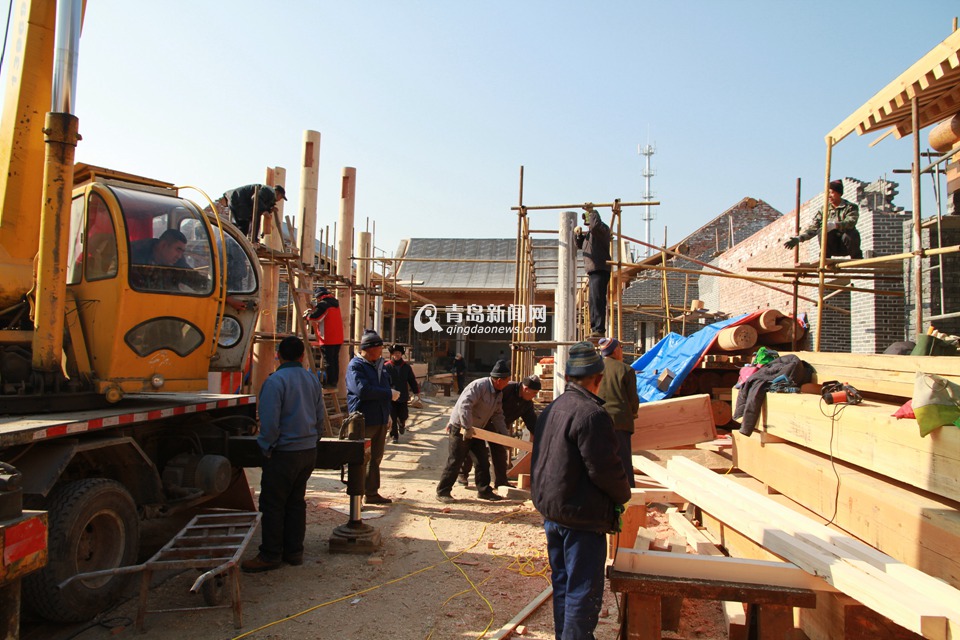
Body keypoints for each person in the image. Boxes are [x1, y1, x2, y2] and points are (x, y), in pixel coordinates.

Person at [531, 341, 631, 639]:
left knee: (563, 583)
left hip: (553, 511)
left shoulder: (554, 407)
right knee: (582, 591)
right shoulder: (592, 415)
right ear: (598, 379)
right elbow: (604, 469)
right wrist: (622, 495)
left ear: (567, 378)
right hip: (581, 517)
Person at [242, 336, 323, 573]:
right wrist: (312, 440)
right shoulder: (311, 380)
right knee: (296, 502)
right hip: (307, 452)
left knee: (273, 503)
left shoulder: (275, 382)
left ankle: (270, 554)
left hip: (284, 452)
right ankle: (294, 552)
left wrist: (266, 447)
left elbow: (269, 422)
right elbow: (320, 418)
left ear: (278, 356)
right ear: (301, 356)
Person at [436, 360, 512, 503]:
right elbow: (465, 405)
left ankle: (484, 491)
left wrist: (505, 436)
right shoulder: (479, 386)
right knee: (455, 460)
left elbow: (498, 415)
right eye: (507, 380)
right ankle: (443, 491)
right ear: (499, 380)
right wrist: (467, 427)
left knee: (482, 461)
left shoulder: (498, 392)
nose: (508, 383)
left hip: (477, 430)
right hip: (461, 427)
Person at [459, 374, 540, 489]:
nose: (534, 396)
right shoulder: (507, 389)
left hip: (500, 425)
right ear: (526, 389)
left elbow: (532, 423)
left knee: (500, 452)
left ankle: (501, 481)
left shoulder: (527, 403)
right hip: (486, 419)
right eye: (534, 393)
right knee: (472, 446)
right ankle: (463, 474)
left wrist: (539, 438)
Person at [346, 330, 397, 505]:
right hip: (363, 419)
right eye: (379, 348)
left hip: (380, 418)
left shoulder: (379, 366)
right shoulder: (356, 366)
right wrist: (388, 394)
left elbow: (383, 389)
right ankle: (356, 497)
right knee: (360, 459)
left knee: (375, 458)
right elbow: (362, 391)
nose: (381, 351)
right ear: (369, 348)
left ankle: (372, 492)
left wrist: (388, 414)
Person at [596, 338, 640, 487]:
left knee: (599, 461)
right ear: (616, 350)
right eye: (621, 348)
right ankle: (630, 499)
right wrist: (633, 414)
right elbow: (633, 399)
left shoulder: (594, 370)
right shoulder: (626, 370)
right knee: (623, 463)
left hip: (597, 422)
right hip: (620, 423)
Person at [783, 179, 862, 259]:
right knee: (822, 231)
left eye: (831, 192)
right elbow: (814, 228)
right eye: (827, 193)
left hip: (846, 246)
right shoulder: (824, 210)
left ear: (839, 193)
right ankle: (825, 257)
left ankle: (856, 256)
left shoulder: (850, 207)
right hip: (832, 247)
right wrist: (799, 238)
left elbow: (851, 221)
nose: (829, 196)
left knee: (851, 234)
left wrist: (835, 225)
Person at [574, 204, 612, 337]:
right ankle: (595, 328)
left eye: (589, 218)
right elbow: (580, 245)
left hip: (600, 269)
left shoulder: (602, 230)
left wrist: (592, 211)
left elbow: (595, 226)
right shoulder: (590, 236)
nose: (587, 221)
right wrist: (578, 235)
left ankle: (600, 329)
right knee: (593, 302)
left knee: (598, 299)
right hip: (593, 271)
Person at [305, 287, 344, 388]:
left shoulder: (323, 304)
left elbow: (316, 317)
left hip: (328, 338)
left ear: (319, 297)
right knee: (334, 361)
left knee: (328, 362)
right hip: (337, 338)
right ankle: (334, 382)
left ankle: (330, 383)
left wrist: (307, 316)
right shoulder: (334, 304)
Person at [385, 344, 420, 444]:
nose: (397, 355)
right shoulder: (387, 367)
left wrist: (416, 392)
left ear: (401, 355)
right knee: (393, 416)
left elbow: (412, 380)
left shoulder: (406, 367)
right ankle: (394, 436)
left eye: (399, 353)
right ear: (392, 354)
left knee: (403, 414)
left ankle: (402, 423)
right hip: (391, 396)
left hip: (403, 396)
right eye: (395, 353)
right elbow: (383, 381)